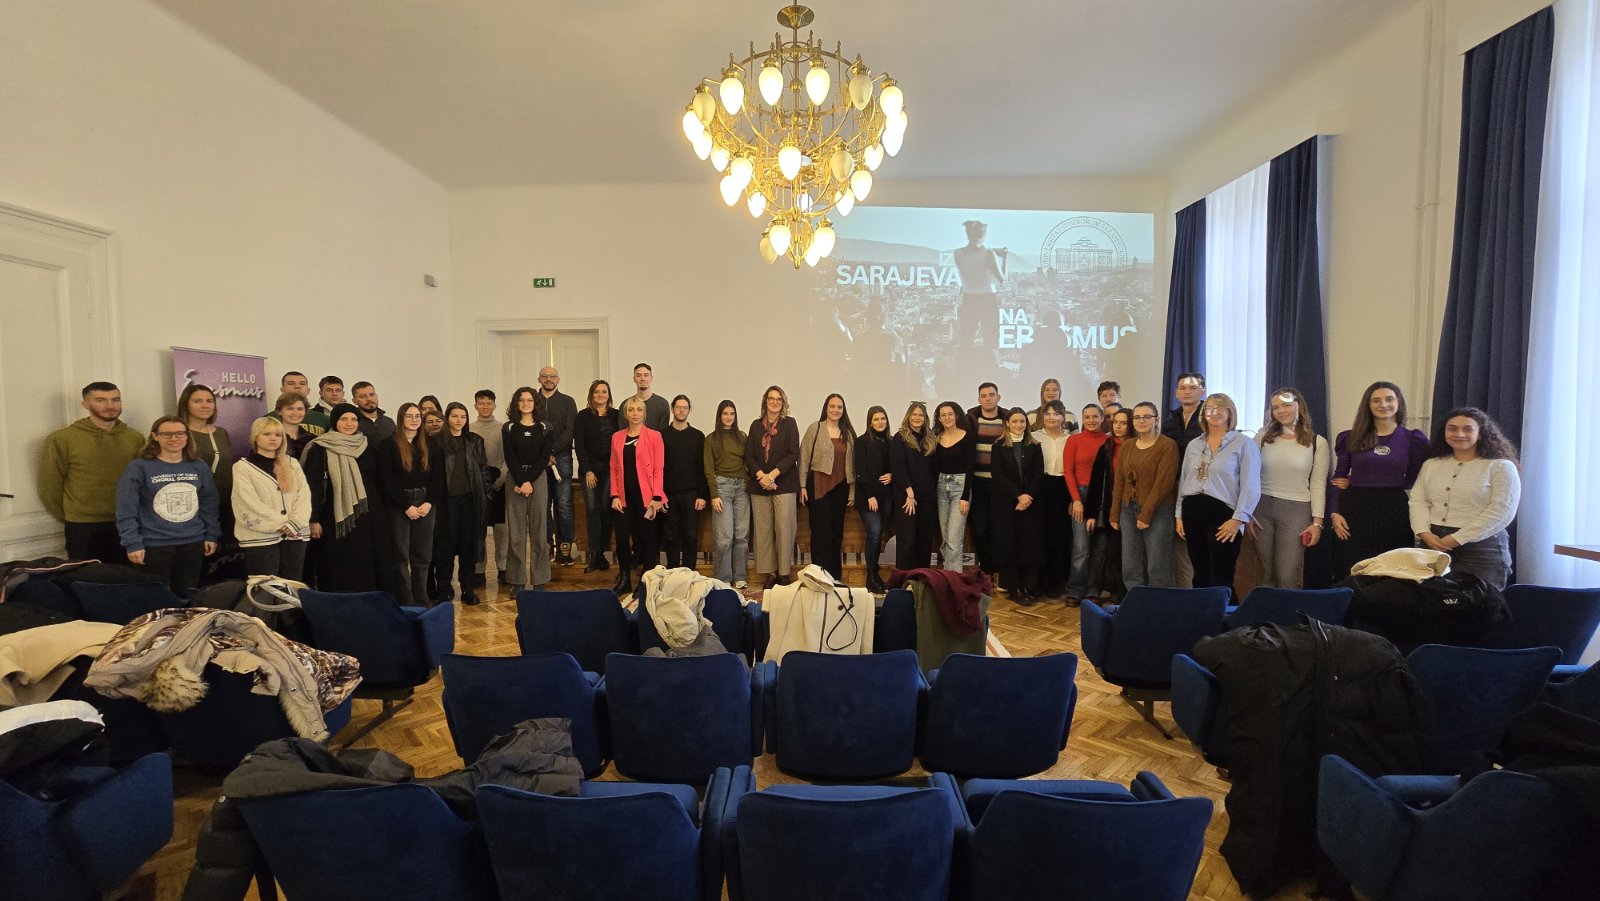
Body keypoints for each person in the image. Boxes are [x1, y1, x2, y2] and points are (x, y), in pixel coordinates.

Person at [1408, 407, 1522, 590]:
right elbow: (1418, 500)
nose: (1459, 434)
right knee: (1433, 600)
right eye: (1452, 429)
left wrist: (1457, 538)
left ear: (1481, 433)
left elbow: (1501, 510)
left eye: (1468, 429)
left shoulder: (1500, 467)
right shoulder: (1431, 464)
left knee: (1480, 602)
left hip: (1481, 547)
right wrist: (1424, 533)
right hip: (1432, 542)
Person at [1328, 381, 1432, 578]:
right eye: (1376, 400)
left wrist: (1382, 482)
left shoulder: (1413, 439)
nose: (1383, 404)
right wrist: (1334, 513)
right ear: (1367, 405)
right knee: (1352, 565)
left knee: (1393, 567)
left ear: (1398, 402)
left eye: (1389, 399)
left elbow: (1415, 478)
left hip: (1394, 509)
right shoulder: (1350, 438)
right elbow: (1338, 478)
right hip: (1354, 509)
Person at [38, 381, 145, 561]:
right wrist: (71, 514)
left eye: (115, 400)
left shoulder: (135, 437)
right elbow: (49, 486)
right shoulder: (62, 439)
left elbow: (142, 480)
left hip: (127, 523)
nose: (110, 406)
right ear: (85, 404)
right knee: (86, 576)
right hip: (83, 526)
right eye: (100, 400)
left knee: (126, 576)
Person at [115, 416, 220, 595]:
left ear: (187, 436)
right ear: (155, 436)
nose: (174, 438)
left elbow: (209, 503)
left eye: (180, 433)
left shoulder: (198, 466)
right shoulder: (139, 467)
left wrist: (211, 534)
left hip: (192, 542)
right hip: (153, 544)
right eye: (167, 434)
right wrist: (132, 543)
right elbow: (126, 508)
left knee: (187, 595)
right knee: (154, 596)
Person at [1175, 394, 1261, 590]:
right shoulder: (1194, 444)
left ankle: (1223, 609)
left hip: (1223, 514)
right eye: (1210, 408)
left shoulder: (1244, 444)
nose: (1214, 413)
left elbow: (1251, 485)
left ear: (1230, 413)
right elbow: (1185, 480)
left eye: (1220, 408)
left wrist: (1238, 519)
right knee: (1200, 572)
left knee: (1221, 573)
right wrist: (1179, 514)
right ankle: (1201, 608)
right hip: (1192, 510)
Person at [1252, 388, 1331, 588]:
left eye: (1286, 405)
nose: (1281, 411)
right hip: (1261, 508)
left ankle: (1289, 610)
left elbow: (1318, 484)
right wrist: (1246, 512)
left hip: (1296, 510)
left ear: (1299, 406)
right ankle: (1266, 609)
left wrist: (1317, 523)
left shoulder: (1317, 442)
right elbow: (1248, 477)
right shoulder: (1262, 438)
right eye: (1275, 407)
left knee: (1287, 575)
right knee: (1265, 574)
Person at [302, 404, 383, 591]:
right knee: (337, 563)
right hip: (334, 518)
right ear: (334, 421)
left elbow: (376, 482)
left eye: (353, 419)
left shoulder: (367, 447)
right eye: (343, 419)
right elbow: (312, 487)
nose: (349, 423)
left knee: (364, 562)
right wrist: (313, 519)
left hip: (366, 516)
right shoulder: (319, 448)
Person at [377, 403, 445, 605]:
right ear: (401, 419)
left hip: (425, 502)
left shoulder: (430, 444)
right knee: (400, 555)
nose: (414, 420)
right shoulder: (388, 444)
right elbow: (386, 480)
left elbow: (438, 477)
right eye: (409, 416)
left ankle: (421, 596)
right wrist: (405, 506)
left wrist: (429, 502)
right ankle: (406, 598)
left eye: (417, 416)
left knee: (422, 554)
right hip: (400, 504)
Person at [232, 416, 311, 580]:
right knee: (265, 587)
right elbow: (247, 502)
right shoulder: (242, 467)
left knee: (292, 584)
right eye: (267, 434)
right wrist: (282, 524)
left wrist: (295, 522)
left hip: (295, 535)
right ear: (255, 437)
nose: (273, 438)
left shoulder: (292, 463)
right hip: (261, 538)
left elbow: (304, 496)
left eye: (278, 435)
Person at [1112, 402, 1180, 589]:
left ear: (1156, 419)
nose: (1141, 421)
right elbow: (1119, 481)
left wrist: (1146, 514)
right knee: (1131, 564)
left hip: (1158, 511)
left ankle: (1159, 605)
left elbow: (1164, 483)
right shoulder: (1127, 446)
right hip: (1128, 509)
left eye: (1147, 417)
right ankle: (1137, 603)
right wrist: (1114, 512)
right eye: (1137, 417)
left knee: (1158, 564)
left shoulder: (1167, 445)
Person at [433, 402, 491, 605]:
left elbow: (483, 469)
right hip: (445, 502)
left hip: (470, 501)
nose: (459, 420)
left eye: (463, 417)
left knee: (468, 547)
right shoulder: (437, 441)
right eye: (455, 416)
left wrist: (487, 493)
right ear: (447, 418)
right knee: (445, 548)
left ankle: (468, 589)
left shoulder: (474, 440)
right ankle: (444, 589)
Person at [746, 386, 801, 588]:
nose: (775, 402)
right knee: (764, 530)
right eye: (771, 398)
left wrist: (772, 476)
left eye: (779, 399)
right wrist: (762, 476)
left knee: (784, 528)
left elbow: (793, 454)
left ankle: (784, 573)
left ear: (783, 402)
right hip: (759, 484)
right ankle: (770, 573)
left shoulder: (790, 424)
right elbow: (749, 455)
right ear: (765, 401)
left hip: (784, 483)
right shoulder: (755, 425)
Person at [990, 407, 1046, 603]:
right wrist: (1018, 495)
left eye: (1022, 421)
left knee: (1029, 544)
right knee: (1009, 543)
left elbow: (1039, 473)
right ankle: (1014, 587)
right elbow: (998, 475)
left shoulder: (1034, 445)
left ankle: (1029, 585)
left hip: (1031, 503)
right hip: (1007, 503)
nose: (1018, 425)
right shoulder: (998, 446)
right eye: (1014, 421)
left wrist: (1028, 495)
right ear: (1007, 423)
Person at [610, 396, 665, 595]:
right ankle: (624, 577)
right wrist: (614, 495)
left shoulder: (654, 436)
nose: (635, 413)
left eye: (639, 410)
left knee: (647, 540)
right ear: (626, 414)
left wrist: (657, 497)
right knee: (622, 539)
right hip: (624, 497)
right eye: (631, 410)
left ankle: (646, 582)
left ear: (644, 413)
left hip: (647, 498)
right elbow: (614, 467)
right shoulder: (617, 437)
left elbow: (658, 468)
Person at [502, 387, 554, 595]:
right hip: (515, 480)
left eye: (529, 400)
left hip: (537, 479)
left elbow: (544, 457)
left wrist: (528, 481)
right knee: (516, 534)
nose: (525, 403)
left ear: (535, 403)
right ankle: (517, 581)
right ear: (516, 403)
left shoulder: (545, 427)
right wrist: (521, 480)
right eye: (521, 400)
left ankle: (540, 580)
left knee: (539, 532)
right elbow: (509, 456)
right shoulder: (509, 427)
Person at [799, 394, 856, 581]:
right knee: (820, 532)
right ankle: (819, 575)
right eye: (832, 406)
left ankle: (834, 576)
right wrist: (802, 486)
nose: (836, 410)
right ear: (826, 408)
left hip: (841, 488)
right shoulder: (815, 428)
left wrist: (852, 491)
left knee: (836, 533)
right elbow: (804, 458)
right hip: (818, 485)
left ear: (843, 410)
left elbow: (852, 465)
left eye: (839, 407)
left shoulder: (848, 433)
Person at [1083, 407, 1131, 600]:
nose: (1118, 427)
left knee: (1131, 555)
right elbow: (1096, 482)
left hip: (1132, 507)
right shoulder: (1107, 447)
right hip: (1111, 509)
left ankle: (1130, 594)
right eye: (1116, 422)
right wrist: (1091, 514)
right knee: (1112, 552)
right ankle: (1118, 593)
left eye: (1124, 423)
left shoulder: (1138, 446)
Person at [1063, 404, 1108, 604]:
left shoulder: (1108, 441)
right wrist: (1076, 500)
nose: (1091, 420)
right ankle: (1075, 589)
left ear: (1102, 418)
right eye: (1087, 417)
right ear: (1082, 419)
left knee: (1099, 547)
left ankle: (1093, 589)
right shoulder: (1074, 440)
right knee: (1081, 547)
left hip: (1102, 496)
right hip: (1080, 494)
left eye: (1095, 416)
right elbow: (1068, 471)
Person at [574, 380, 620, 573]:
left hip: (610, 469)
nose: (600, 395)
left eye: (604, 391)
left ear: (609, 395)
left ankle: (602, 552)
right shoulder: (582, 416)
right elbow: (579, 445)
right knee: (592, 510)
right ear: (591, 395)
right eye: (597, 392)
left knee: (606, 509)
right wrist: (588, 470)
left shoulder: (617, 415)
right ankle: (594, 555)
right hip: (590, 470)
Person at [704, 400, 750, 588]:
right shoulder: (711, 439)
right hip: (722, 488)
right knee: (724, 537)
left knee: (741, 535)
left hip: (742, 489)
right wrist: (714, 494)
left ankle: (740, 576)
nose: (729, 417)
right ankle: (723, 578)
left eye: (732, 413)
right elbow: (708, 468)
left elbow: (749, 462)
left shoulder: (742, 437)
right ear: (719, 416)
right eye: (725, 413)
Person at [537, 366, 579, 567]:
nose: (549, 379)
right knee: (543, 505)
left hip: (562, 458)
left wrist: (552, 450)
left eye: (552, 376)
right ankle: (546, 547)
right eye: (545, 376)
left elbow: (570, 430)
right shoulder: (532, 400)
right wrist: (544, 454)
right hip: (538, 460)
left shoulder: (568, 401)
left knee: (563, 504)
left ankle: (565, 548)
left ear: (558, 380)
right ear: (539, 379)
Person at [1032, 399, 1074, 599]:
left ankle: (1057, 582)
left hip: (1062, 488)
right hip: (1040, 487)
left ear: (1063, 417)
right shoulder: (1034, 437)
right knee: (1039, 534)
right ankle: (1039, 581)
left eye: (1056, 414)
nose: (1051, 417)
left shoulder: (1070, 439)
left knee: (1059, 536)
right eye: (1047, 413)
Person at [661, 395, 709, 570]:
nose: (681, 410)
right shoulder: (662, 435)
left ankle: (689, 573)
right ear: (673, 409)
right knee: (671, 536)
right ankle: (672, 573)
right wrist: (659, 495)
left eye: (685, 407)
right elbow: (658, 468)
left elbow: (702, 467)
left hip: (691, 494)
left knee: (690, 536)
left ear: (689, 410)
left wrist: (702, 495)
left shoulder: (698, 436)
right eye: (678, 407)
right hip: (668, 495)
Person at [889, 402, 938, 571]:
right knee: (907, 540)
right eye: (914, 414)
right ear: (908, 417)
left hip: (927, 497)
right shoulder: (900, 438)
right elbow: (898, 468)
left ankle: (922, 579)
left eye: (921, 415)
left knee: (924, 540)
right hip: (906, 497)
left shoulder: (930, 439)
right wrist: (909, 493)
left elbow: (934, 469)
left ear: (925, 418)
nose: (917, 418)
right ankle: (905, 580)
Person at [178, 384, 234, 532]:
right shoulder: (178, 434)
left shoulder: (221, 433)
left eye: (209, 401)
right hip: (196, 506)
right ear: (185, 404)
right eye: (197, 401)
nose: (205, 405)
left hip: (225, 503)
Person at [966, 382, 1006, 575]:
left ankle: (1000, 568)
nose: (988, 399)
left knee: (999, 527)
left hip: (1001, 484)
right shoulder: (971, 419)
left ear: (999, 397)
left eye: (991, 395)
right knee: (980, 528)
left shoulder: (1007, 419)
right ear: (978, 399)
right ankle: (987, 569)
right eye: (984, 396)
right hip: (977, 483)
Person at [854, 405, 894, 593]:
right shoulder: (861, 442)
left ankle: (876, 571)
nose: (880, 422)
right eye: (876, 419)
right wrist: (870, 495)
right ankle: (870, 576)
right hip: (868, 497)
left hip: (887, 496)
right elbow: (860, 471)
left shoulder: (891, 442)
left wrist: (892, 475)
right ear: (870, 422)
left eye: (883, 418)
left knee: (880, 536)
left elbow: (896, 465)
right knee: (875, 534)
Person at [469, 389, 508, 586]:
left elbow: (508, 459)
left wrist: (497, 482)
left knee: (502, 530)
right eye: (481, 403)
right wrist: (480, 485)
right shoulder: (468, 429)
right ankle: (478, 570)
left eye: (489, 403)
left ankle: (503, 567)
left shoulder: (503, 429)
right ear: (475, 405)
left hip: (500, 485)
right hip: (476, 489)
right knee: (478, 530)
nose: (485, 406)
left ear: (494, 405)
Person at [932, 401, 976, 572]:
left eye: (950, 414)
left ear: (956, 415)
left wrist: (965, 497)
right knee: (945, 536)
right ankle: (948, 571)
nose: (947, 418)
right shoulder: (937, 438)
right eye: (943, 415)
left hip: (960, 487)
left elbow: (970, 468)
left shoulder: (968, 436)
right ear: (939, 418)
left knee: (954, 536)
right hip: (941, 487)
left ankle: (954, 578)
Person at [952, 220, 1009, 350]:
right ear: (983, 234)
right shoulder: (988, 254)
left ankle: (964, 362)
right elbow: (1002, 278)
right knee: (990, 339)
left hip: (968, 298)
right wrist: (1004, 257)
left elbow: (973, 261)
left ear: (967, 234)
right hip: (987, 298)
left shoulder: (958, 254)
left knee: (966, 338)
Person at [271, 392, 316, 459]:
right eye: (290, 409)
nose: (295, 413)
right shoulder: (270, 437)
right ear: (279, 411)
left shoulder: (312, 439)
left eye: (300, 409)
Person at [631, 362, 671, 432]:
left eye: (646, 375)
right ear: (634, 379)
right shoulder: (626, 405)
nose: (642, 379)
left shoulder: (662, 404)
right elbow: (623, 433)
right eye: (638, 375)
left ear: (651, 378)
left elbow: (663, 434)